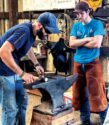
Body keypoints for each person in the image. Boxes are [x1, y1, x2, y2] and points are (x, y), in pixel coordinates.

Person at [0, 12, 60, 125]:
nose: (47, 35)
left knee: (22, 102)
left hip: (11, 70)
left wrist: (36, 64)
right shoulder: (24, 31)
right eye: (47, 31)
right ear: (40, 25)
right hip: (2, 70)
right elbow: (3, 52)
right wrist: (22, 74)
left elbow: (27, 47)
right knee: (10, 109)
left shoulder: (31, 32)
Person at [69, 1, 108, 125]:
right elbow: (71, 44)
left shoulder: (97, 24)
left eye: (81, 13)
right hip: (78, 63)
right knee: (80, 94)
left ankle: (104, 121)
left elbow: (96, 44)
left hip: (92, 63)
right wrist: (87, 39)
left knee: (97, 94)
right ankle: (85, 121)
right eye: (77, 14)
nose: (79, 16)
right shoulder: (76, 26)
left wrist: (79, 42)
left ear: (88, 12)